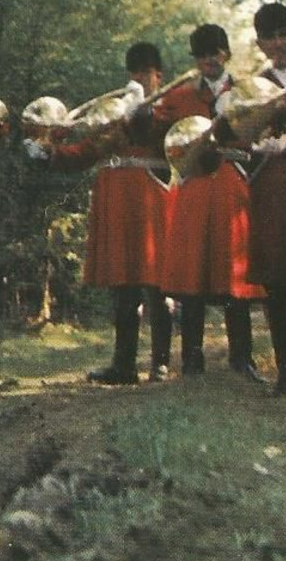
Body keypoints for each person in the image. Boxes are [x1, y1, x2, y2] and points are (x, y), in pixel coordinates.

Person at [25, 42, 175, 385]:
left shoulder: (165, 107)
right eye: (134, 73)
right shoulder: (114, 112)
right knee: (122, 284)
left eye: (146, 74)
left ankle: (161, 363)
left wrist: (142, 109)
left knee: (157, 282)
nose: (140, 79)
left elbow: (163, 134)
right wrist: (50, 154)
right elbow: (87, 150)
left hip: (150, 193)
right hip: (114, 196)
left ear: (158, 76)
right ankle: (123, 364)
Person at [153, 24, 265, 381]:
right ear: (196, 60)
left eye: (215, 53)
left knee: (235, 273)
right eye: (202, 55)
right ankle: (191, 360)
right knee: (192, 274)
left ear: (226, 53)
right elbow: (157, 130)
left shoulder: (247, 90)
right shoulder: (181, 96)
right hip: (194, 183)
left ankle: (242, 359)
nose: (209, 61)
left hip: (232, 180)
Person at [238, 3, 286, 396]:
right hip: (271, 187)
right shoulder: (253, 86)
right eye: (270, 37)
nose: (279, 43)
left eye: (284, 33)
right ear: (260, 43)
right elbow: (239, 137)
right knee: (280, 285)